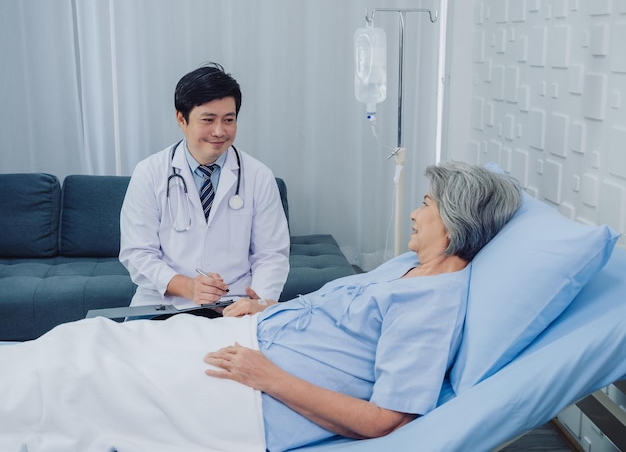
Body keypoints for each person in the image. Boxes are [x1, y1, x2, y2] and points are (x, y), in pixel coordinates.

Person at [0, 162, 521, 452]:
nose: (413, 211)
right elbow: (328, 311)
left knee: (82, 382)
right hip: (245, 336)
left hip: (251, 393)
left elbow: (386, 422)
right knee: (87, 342)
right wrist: (263, 313)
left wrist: (267, 376)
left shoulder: (432, 302)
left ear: (453, 221)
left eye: (426, 205)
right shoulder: (404, 269)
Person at [119, 63, 290, 309]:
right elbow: (137, 253)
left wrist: (260, 301)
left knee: (241, 348)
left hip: (237, 301)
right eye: (208, 120)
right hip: (163, 300)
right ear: (181, 118)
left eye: (228, 120)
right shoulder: (149, 173)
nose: (219, 131)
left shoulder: (259, 175)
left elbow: (271, 254)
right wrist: (187, 286)